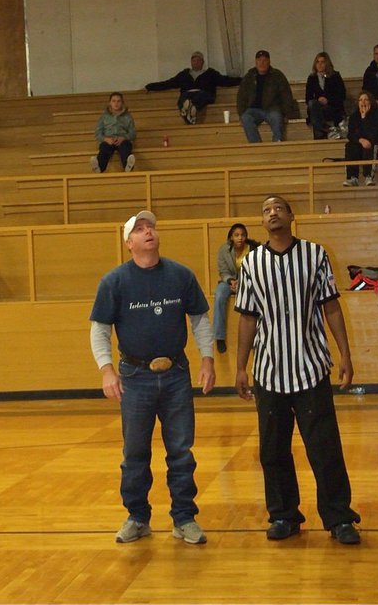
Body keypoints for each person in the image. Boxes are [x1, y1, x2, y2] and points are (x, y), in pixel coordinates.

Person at [235, 195, 361, 545]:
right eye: (265, 209)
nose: (272, 212)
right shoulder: (251, 263)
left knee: (324, 448)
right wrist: (241, 367)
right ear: (262, 222)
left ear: (291, 216)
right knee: (272, 450)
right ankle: (283, 515)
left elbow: (331, 307)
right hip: (269, 372)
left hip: (311, 369)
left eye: (278, 207)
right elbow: (247, 317)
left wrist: (345, 355)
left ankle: (339, 518)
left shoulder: (314, 255)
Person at [89, 210, 216, 545]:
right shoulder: (114, 282)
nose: (148, 232)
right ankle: (137, 517)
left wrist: (207, 360)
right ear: (129, 243)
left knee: (181, 450)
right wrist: (106, 370)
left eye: (151, 227)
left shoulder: (181, 276)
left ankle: (184, 518)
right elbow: (99, 331)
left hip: (175, 374)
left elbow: (200, 321)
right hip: (134, 377)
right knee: (134, 452)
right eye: (140, 229)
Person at [145, 51, 240, 125]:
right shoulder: (184, 74)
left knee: (200, 96)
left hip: (204, 94)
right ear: (191, 62)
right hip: (187, 94)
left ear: (202, 62)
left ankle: (189, 108)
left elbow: (225, 81)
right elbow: (168, 83)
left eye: (198, 60)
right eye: (194, 60)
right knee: (183, 97)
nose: (196, 63)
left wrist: (242, 80)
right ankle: (191, 110)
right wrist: (151, 86)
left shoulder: (211, 73)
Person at [213, 223, 259, 354]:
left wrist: (244, 281)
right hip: (228, 281)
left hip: (249, 281)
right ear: (231, 237)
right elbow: (222, 270)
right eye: (237, 235)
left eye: (243, 235)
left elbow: (257, 270)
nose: (240, 238)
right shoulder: (224, 250)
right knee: (220, 294)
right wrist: (230, 280)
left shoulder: (254, 249)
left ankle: (254, 338)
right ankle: (219, 337)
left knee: (255, 296)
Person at [236, 50, 294, 142]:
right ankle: (256, 145)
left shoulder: (277, 75)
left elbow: (286, 95)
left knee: (276, 117)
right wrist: (241, 113)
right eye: (259, 60)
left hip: (272, 108)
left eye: (264, 60)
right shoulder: (249, 76)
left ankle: (277, 143)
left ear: (269, 62)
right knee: (245, 117)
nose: (262, 63)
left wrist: (286, 113)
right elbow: (241, 97)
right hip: (253, 109)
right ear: (256, 62)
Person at [343, 91, 378, 187]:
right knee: (350, 146)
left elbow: (374, 135)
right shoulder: (354, 116)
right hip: (362, 144)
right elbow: (351, 135)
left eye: (365, 99)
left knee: (369, 145)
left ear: (371, 102)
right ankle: (353, 178)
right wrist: (360, 140)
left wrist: (364, 118)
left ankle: (369, 176)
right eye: (360, 100)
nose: (363, 102)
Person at [90, 92, 137, 173]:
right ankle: (99, 167)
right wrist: (105, 139)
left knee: (125, 148)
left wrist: (124, 138)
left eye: (118, 101)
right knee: (104, 148)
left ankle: (128, 166)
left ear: (122, 103)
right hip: (109, 140)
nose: (116, 103)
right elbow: (98, 133)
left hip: (122, 140)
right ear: (110, 103)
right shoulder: (104, 117)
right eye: (114, 101)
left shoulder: (128, 116)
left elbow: (133, 133)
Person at [305, 52, 347, 140]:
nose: (319, 64)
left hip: (332, 107)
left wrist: (328, 100)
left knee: (316, 113)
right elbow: (308, 98)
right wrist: (318, 100)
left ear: (327, 63)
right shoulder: (312, 78)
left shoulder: (335, 76)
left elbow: (342, 95)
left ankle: (320, 134)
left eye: (322, 62)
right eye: (317, 62)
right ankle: (327, 131)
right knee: (313, 104)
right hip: (317, 107)